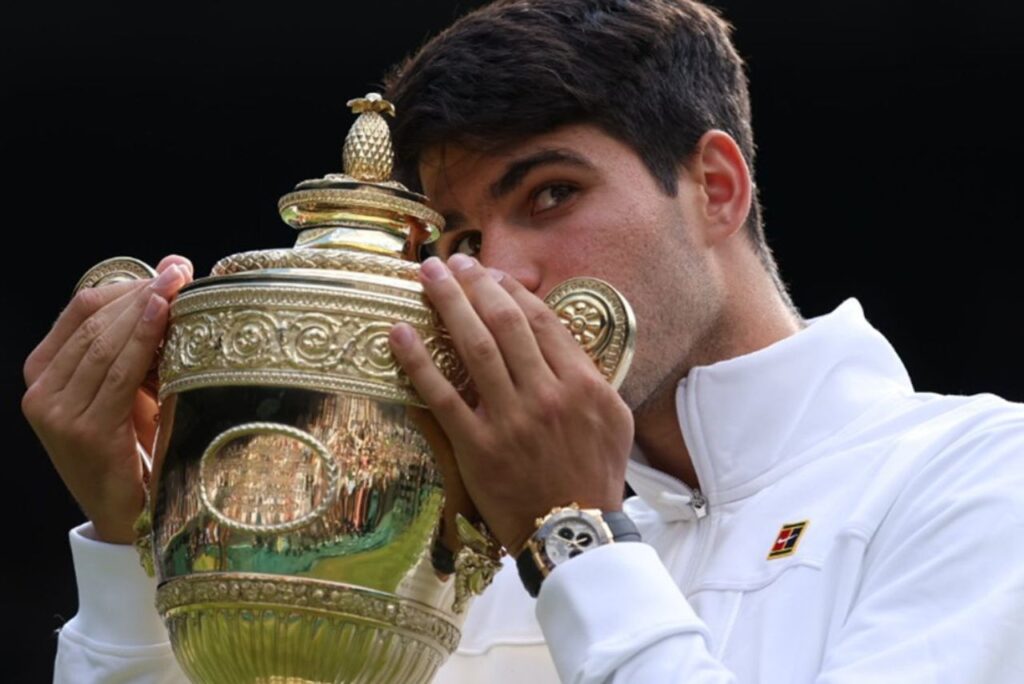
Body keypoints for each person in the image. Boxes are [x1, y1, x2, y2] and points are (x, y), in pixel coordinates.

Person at [24, 1, 1024, 682]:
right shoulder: (463, 550)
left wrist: (571, 534)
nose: (492, 274)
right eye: (456, 238)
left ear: (715, 188)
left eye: (551, 194)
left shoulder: (980, 476)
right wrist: (135, 544)